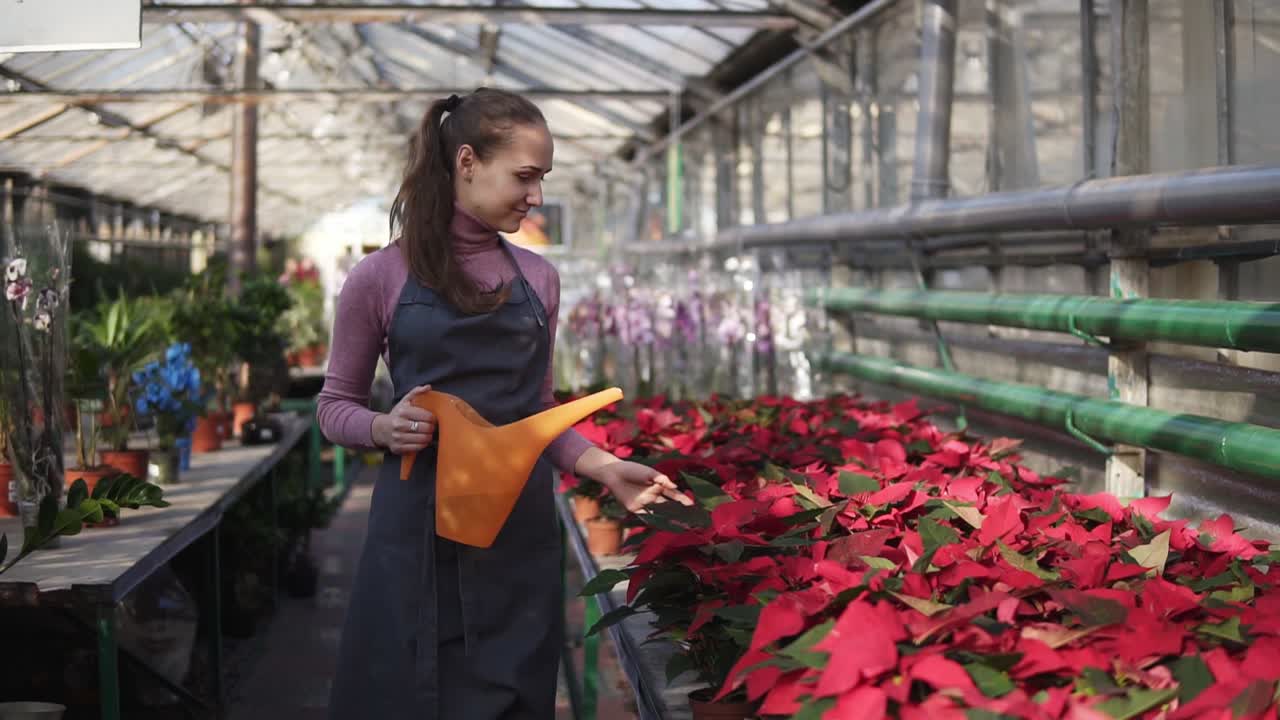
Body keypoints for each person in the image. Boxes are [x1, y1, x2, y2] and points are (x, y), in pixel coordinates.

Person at [316, 88, 690, 720]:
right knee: (404, 694)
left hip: (515, 535)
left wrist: (601, 467)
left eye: (542, 178)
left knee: (512, 693)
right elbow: (335, 406)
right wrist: (382, 426)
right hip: (415, 531)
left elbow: (535, 411)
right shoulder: (379, 277)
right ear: (467, 162)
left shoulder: (538, 278)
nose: (537, 195)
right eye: (525, 176)